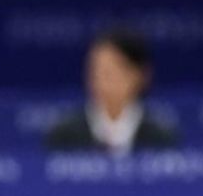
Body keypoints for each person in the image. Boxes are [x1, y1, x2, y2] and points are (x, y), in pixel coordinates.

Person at [46, 29, 179, 155]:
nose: (99, 81)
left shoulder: (161, 138)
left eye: (109, 73)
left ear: (138, 75)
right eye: (94, 72)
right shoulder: (63, 136)